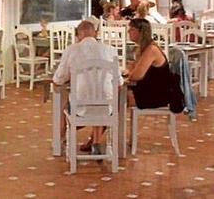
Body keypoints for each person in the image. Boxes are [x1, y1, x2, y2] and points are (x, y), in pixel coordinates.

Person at [52, 21, 121, 155]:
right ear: (95, 33)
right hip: (107, 109)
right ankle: (96, 142)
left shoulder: (72, 50)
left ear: (78, 35)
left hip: (80, 109)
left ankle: (61, 138)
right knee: (100, 100)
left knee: (64, 105)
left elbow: (58, 80)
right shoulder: (110, 50)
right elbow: (119, 83)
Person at [126, 19, 171, 109]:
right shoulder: (143, 48)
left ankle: (108, 121)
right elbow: (132, 68)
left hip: (156, 95)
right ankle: (111, 122)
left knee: (117, 95)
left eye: (132, 29)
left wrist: (129, 73)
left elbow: (136, 76)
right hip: (148, 89)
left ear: (141, 32)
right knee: (116, 92)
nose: (128, 31)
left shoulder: (151, 49)